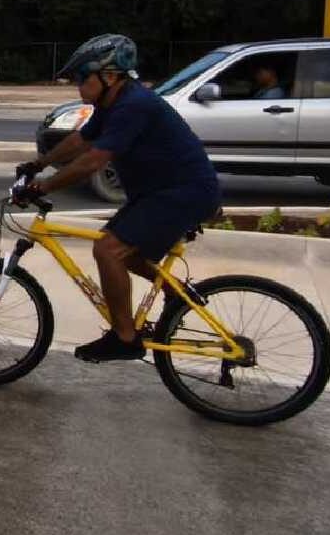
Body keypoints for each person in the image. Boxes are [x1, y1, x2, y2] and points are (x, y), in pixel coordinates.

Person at [16, 34, 220, 362]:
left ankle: (125, 338)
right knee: (125, 253)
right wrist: (38, 164)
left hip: (181, 193)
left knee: (107, 249)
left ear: (109, 76)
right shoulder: (112, 104)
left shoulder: (133, 106)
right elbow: (81, 140)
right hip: (161, 193)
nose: (78, 86)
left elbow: (94, 160)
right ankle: (176, 294)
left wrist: (44, 187)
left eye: (83, 78)